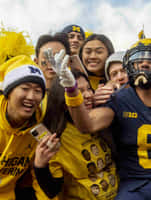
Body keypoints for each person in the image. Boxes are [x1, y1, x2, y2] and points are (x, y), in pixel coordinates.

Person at [56, 38, 151, 199]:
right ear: (130, 65)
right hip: (133, 188)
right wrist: (72, 91)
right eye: (139, 60)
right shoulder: (118, 100)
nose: (144, 64)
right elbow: (86, 125)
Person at [33, 69, 118, 200]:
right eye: (79, 91)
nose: (88, 95)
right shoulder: (56, 137)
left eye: (89, 89)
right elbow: (52, 190)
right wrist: (40, 166)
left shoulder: (100, 119)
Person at [0, 55, 46, 200]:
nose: (31, 97)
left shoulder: (39, 129)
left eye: (38, 91)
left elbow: (40, 178)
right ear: (8, 93)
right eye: (25, 88)